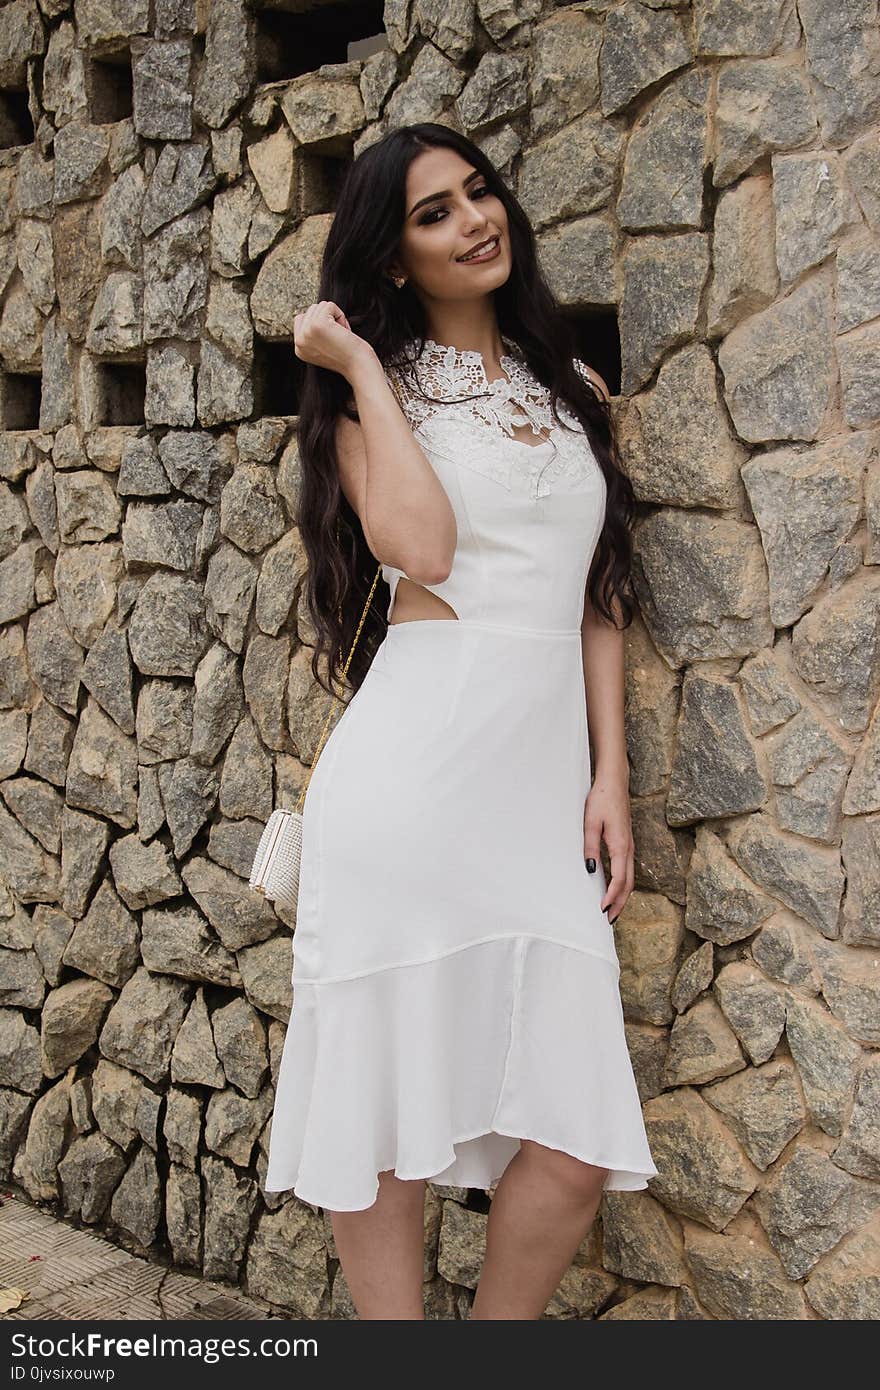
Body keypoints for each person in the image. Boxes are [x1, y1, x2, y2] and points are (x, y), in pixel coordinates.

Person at [263, 121, 658, 1320]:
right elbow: (422, 549)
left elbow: (597, 592)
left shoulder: (572, 388)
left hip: (534, 804)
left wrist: (610, 776)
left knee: (575, 1147)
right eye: (432, 213)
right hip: (409, 788)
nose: (473, 220)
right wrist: (365, 371)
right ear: (391, 259)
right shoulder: (366, 409)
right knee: (381, 1114)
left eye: (478, 193)